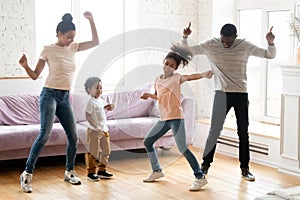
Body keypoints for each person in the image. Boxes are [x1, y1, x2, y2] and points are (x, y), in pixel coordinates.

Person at [182, 23, 276, 181]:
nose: (226, 44)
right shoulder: (211, 44)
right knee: (214, 131)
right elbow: (188, 52)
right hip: (221, 94)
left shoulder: (244, 45)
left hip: (240, 94)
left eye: (229, 42)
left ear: (235, 38)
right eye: (224, 41)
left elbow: (269, 55)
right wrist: (185, 37)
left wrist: (271, 43)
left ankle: (245, 169)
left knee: (243, 132)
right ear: (220, 37)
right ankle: (204, 166)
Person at [18, 12, 99, 193]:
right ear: (59, 34)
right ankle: (27, 173)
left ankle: (69, 171)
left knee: (73, 137)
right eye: (68, 37)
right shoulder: (48, 49)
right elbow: (34, 76)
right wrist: (25, 66)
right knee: (44, 135)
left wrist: (92, 21)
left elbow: (95, 42)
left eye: (73, 38)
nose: (71, 41)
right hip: (49, 95)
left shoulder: (74, 47)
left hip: (65, 97)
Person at [140, 45, 213, 191]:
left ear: (175, 68)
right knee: (148, 142)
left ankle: (200, 176)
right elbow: (159, 96)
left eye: (171, 65)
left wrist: (204, 74)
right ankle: (157, 171)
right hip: (164, 119)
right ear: (163, 63)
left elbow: (191, 77)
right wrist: (149, 96)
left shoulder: (177, 78)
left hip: (176, 118)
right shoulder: (158, 79)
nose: (167, 67)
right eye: (166, 63)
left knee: (182, 148)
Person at [84, 77, 114, 181]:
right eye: (96, 88)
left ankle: (102, 170)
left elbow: (102, 109)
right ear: (88, 90)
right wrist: (95, 126)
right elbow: (87, 115)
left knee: (106, 150)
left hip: (104, 130)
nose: (99, 90)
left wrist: (109, 107)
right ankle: (91, 172)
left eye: (101, 88)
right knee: (93, 153)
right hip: (94, 131)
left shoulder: (100, 100)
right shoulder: (90, 102)